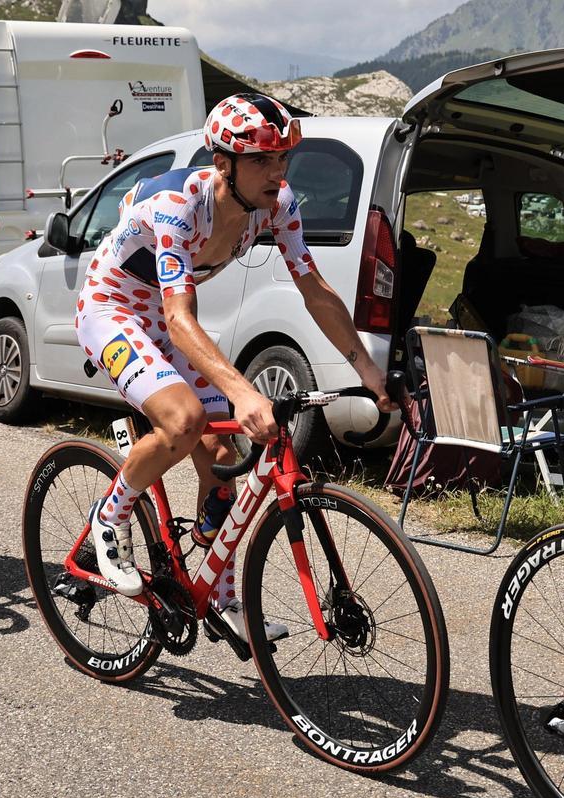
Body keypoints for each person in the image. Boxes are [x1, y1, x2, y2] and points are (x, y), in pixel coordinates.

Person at [74, 92, 394, 641]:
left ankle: (216, 591)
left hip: (164, 318)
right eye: (262, 161)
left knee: (223, 459)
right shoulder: (180, 205)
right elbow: (179, 317)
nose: (277, 172)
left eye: (283, 159)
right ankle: (111, 516)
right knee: (183, 421)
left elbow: (314, 289)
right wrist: (244, 392)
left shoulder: (279, 204)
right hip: (113, 308)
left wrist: (366, 368)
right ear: (222, 162)